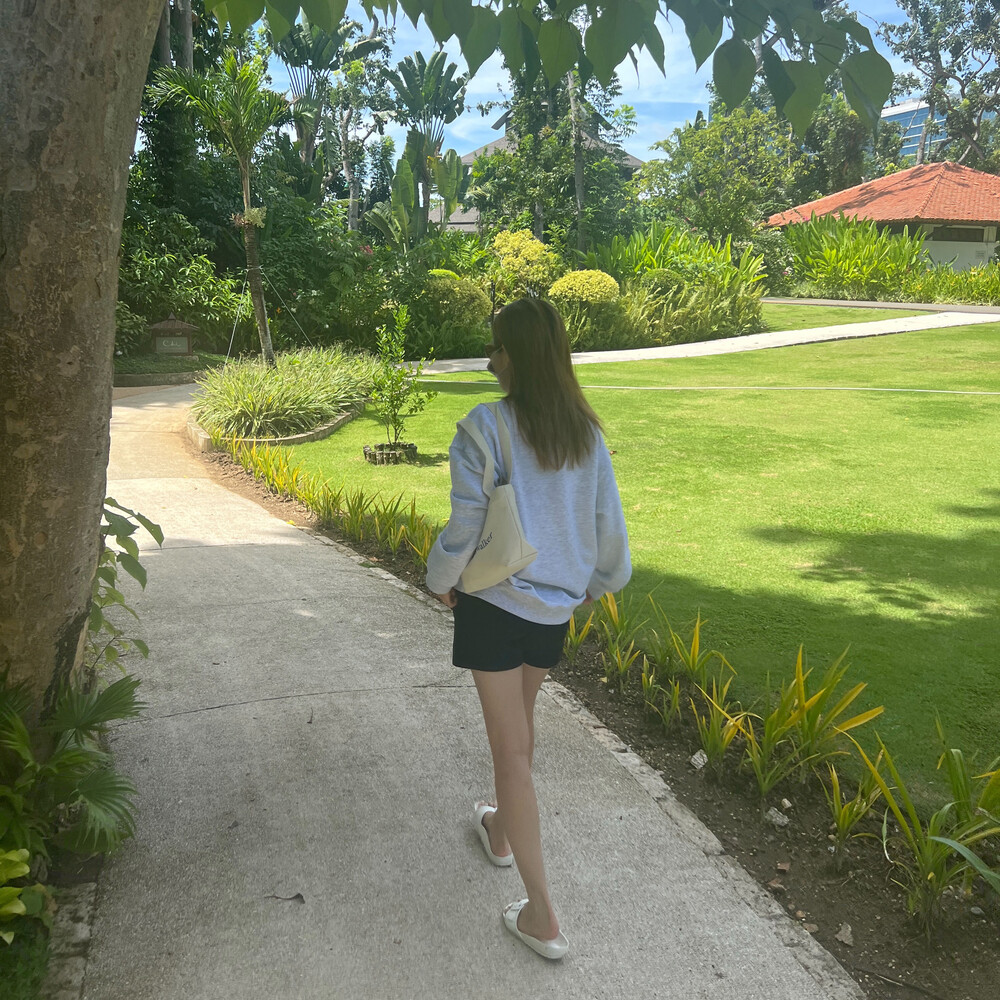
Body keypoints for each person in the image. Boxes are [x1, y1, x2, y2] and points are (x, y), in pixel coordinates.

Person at [425, 296, 631, 960]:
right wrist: (598, 583)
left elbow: (465, 525)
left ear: (518, 355)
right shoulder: (584, 434)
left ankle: (542, 915)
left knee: (510, 753)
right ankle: (500, 832)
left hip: (494, 605)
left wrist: (438, 578)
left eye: (497, 347)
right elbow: (607, 528)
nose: (490, 359)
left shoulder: (485, 428)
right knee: (521, 728)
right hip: (553, 613)